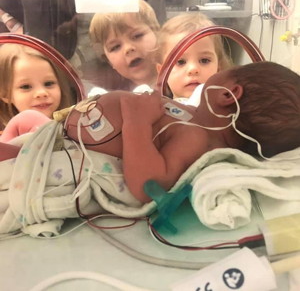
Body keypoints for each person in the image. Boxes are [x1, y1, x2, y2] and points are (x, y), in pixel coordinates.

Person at [1, 62, 300, 205]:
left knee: (13, 157)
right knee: (26, 120)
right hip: (61, 132)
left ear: (229, 94)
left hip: (72, 153)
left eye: (232, 69)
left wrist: (137, 123)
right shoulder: (196, 119)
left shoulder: (196, 137)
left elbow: (148, 185)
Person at [156, 13, 232, 100]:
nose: (193, 69)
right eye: (180, 62)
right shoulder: (157, 110)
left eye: (204, 60)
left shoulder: (228, 111)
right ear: (162, 73)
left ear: (218, 69)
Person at [89, 0, 160, 90]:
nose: (128, 48)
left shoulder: (179, 84)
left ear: (157, 34)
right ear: (109, 61)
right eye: (115, 47)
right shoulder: (116, 98)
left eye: (137, 36)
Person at [0, 44, 72, 128]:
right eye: (26, 86)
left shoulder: (76, 127)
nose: (41, 93)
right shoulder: (6, 138)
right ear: (5, 94)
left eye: (48, 83)